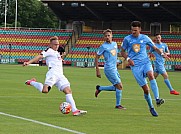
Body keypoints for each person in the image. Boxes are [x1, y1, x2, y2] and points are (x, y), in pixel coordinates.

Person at [23, 36, 87, 116]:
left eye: (58, 44)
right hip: (52, 74)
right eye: (55, 44)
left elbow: (57, 59)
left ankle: (75, 110)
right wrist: (29, 62)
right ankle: (32, 82)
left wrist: (60, 59)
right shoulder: (49, 50)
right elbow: (39, 56)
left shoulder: (57, 53)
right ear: (51, 44)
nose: (57, 46)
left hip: (60, 75)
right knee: (45, 90)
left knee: (68, 91)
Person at [120, 21, 165, 116]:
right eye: (132, 30)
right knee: (146, 90)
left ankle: (157, 99)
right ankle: (151, 107)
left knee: (151, 75)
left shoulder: (145, 38)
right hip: (135, 66)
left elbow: (155, 47)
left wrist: (162, 53)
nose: (133, 32)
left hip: (145, 62)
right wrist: (128, 59)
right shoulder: (127, 39)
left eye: (135, 30)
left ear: (140, 29)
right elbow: (122, 51)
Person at [95, 29, 126, 110]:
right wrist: (97, 70)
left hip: (114, 69)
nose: (107, 37)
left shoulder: (115, 44)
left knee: (117, 87)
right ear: (104, 37)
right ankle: (118, 105)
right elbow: (97, 57)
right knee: (119, 86)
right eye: (106, 36)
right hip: (109, 69)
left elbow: (115, 54)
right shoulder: (103, 46)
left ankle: (100, 88)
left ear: (112, 36)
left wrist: (119, 60)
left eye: (109, 35)